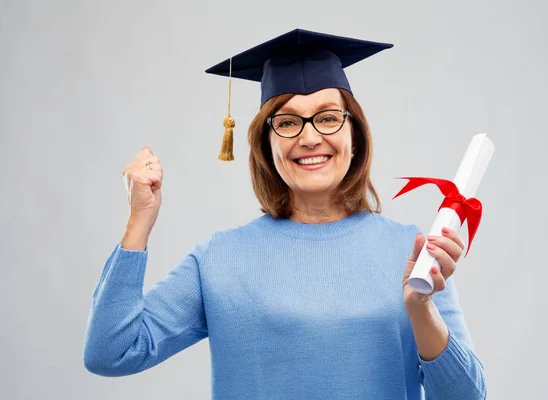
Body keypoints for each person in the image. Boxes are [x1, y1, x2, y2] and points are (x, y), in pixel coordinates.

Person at [82, 28, 487, 399]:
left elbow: (466, 396)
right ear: (265, 142)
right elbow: (111, 353)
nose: (310, 137)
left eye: (328, 117)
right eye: (288, 122)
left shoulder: (414, 253)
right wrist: (140, 221)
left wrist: (421, 309)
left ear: (355, 134)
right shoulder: (220, 259)